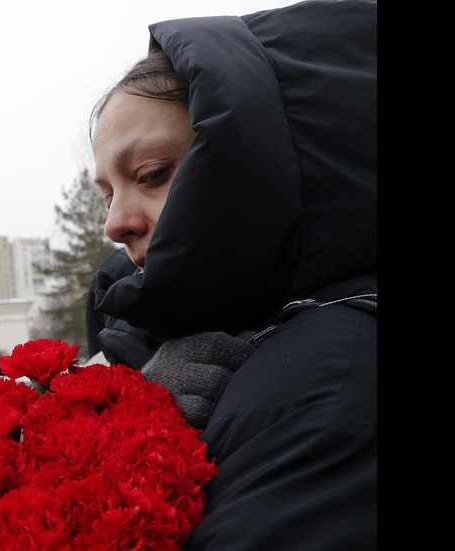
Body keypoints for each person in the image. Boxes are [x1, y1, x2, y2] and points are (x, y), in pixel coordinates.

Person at [88, 2, 376, 549]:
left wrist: (138, 447)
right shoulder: (164, 338)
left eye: (151, 175)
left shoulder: (327, 401)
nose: (114, 225)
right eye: (106, 195)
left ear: (258, 155)